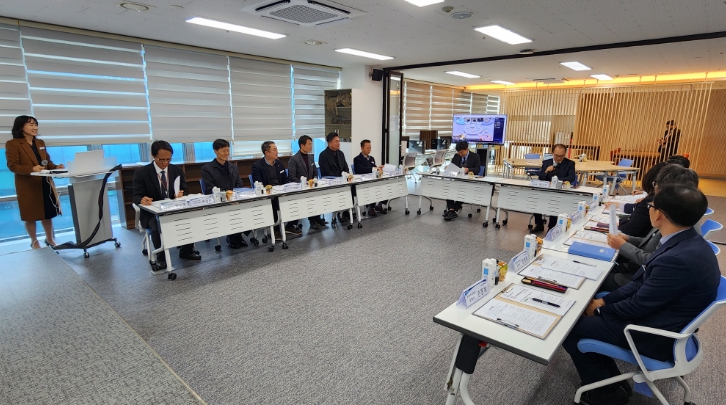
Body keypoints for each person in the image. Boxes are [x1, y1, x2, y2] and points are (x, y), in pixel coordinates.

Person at [563, 186, 719, 405]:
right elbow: (640, 282)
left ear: (659, 214)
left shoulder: (677, 259)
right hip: (666, 320)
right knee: (589, 317)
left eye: (651, 206)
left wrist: (599, 310)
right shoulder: (685, 241)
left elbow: (638, 306)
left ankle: (606, 396)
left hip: (654, 334)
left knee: (570, 327)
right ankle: (612, 383)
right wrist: (603, 302)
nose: (649, 210)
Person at [603, 164, 699, 291]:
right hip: (638, 270)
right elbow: (651, 241)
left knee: (597, 278)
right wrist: (627, 239)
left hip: (642, 278)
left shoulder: (675, 223)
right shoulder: (676, 215)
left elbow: (655, 261)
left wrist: (623, 246)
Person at [133, 141, 200, 270]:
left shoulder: (177, 170)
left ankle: (186, 251)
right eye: (161, 159)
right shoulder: (142, 173)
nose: (165, 163)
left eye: (168, 159)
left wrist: (181, 193)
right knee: (158, 224)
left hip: (174, 208)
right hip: (152, 213)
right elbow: (136, 196)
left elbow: (185, 190)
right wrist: (143, 199)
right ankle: (161, 257)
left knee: (190, 218)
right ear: (153, 156)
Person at [5, 115, 65, 249]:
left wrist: (55, 167)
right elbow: (13, 166)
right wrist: (32, 168)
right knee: (30, 215)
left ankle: (50, 239)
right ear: (21, 127)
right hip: (28, 185)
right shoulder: (13, 144)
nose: (35, 127)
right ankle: (34, 241)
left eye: (36, 124)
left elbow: (46, 162)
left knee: (47, 213)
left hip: (44, 182)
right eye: (31, 124)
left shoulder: (40, 143)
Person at [201, 139, 249, 249]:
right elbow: (210, 188)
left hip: (235, 198)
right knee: (231, 210)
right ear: (215, 151)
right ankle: (232, 236)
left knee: (246, 207)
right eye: (223, 151)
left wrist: (235, 196)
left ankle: (239, 234)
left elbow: (238, 183)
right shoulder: (207, 168)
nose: (226, 153)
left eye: (228, 150)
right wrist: (228, 196)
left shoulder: (233, 167)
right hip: (219, 200)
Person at [251, 141, 301, 237]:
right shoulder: (257, 166)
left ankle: (289, 225)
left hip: (281, 192)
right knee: (274, 201)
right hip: (269, 195)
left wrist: (288, 189)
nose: (277, 151)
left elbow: (285, 180)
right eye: (274, 150)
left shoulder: (279, 164)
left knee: (296, 199)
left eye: (277, 149)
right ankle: (275, 229)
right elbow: (258, 184)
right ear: (267, 152)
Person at [531, 144, 576, 232]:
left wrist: (556, 181)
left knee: (555, 202)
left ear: (565, 154)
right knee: (535, 199)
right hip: (546, 191)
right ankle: (539, 224)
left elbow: (571, 178)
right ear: (552, 153)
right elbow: (541, 177)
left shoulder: (570, 164)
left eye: (561, 156)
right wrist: (546, 171)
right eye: (556, 155)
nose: (559, 158)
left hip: (560, 192)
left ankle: (551, 227)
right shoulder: (546, 162)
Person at [288, 135, 327, 229]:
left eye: (311, 144)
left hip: (311, 186)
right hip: (300, 187)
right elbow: (292, 176)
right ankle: (312, 220)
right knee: (310, 197)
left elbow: (315, 172)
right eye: (309, 144)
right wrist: (303, 184)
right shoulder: (294, 159)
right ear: (302, 145)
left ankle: (317, 218)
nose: (311, 146)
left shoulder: (311, 157)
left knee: (318, 194)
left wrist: (313, 179)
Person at [443, 141, 481, 221]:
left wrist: (468, 169)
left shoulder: (475, 156)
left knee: (463, 191)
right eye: (459, 153)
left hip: (468, 181)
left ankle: (452, 210)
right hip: (457, 179)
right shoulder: (457, 156)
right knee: (448, 189)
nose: (460, 154)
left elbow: (477, 169)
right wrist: (448, 167)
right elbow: (453, 165)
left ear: (467, 149)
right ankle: (452, 210)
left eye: (461, 152)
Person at [353, 139, 387, 217]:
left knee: (385, 184)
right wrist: (373, 169)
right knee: (373, 187)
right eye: (367, 148)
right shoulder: (357, 159)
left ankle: (380, 204)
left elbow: (374, 168)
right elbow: (359, 170)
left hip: (372, 180)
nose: (369, 150)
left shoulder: (371, 158)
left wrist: (379, 168)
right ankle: (371, 207)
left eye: (370, 148)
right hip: (364, 182)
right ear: (362, 148)